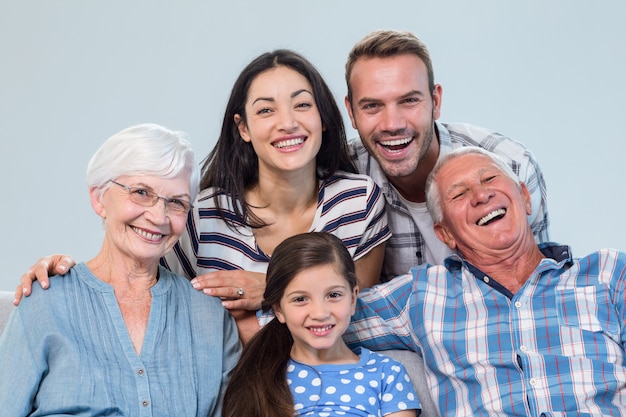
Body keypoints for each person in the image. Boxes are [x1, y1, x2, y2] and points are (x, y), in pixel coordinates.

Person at [14, 50, 390, 343]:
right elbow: (138, 295)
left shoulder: (358, 202)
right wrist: (63, 273)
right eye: (265, 110)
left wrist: (274, 289)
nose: (287, 122)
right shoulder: (202, 214)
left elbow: (358, 319)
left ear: (323, 117)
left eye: (302, 104)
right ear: (242, 128)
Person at [343, 146, 626, 416]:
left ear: (525, 198)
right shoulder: (422, 294)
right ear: (445, 235)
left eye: (489, 178)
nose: (480, 195)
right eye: (459, 194)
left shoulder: (609, 273)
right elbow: (315, 314)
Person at [0, 123, 241, 416]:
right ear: (99, 198)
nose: (158, 216)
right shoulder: (44, 302)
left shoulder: (210, 317)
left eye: (176, 203)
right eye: (141, 192)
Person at [343, 29, 550, 280]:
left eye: (409, 101)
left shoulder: (511, 168)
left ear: (436, 101)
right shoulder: (340, 176)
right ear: (351, 112)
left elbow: (537, 286)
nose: (392, 123)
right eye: (372, 106)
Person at [223, 232, 419, 417]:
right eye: (300, 299)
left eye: (333, 295)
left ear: (353, 300)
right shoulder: (259, 378)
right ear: (279, 310)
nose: (320, 313)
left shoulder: (386, 374)